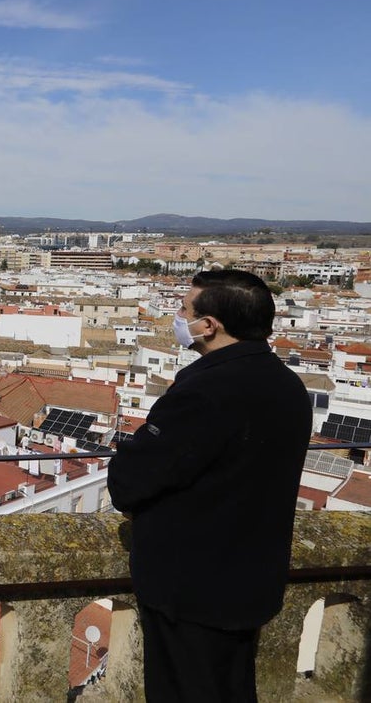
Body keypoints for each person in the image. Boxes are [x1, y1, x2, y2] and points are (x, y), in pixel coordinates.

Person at [108, 270, 311, 702]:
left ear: (209, 325)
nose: (177, 316)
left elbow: (130, 482)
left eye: (184, 310)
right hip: (251, 582)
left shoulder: (206, 390)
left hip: (191, 590)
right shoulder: (289, 386)